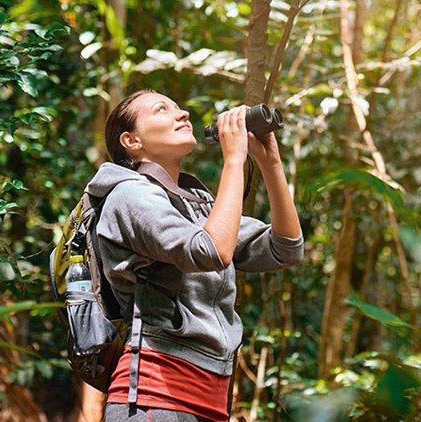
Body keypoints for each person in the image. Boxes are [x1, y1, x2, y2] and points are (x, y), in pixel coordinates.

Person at [86, 90, 304, 421]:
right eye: (162, 109)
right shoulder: (127, 195)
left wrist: (270, 162)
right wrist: (233, 160)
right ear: (131, 141)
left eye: (178, 106)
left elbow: (285, 247)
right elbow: (211, 251)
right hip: (153, 397)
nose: (182, 113)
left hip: (210, 399)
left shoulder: (195, 206)